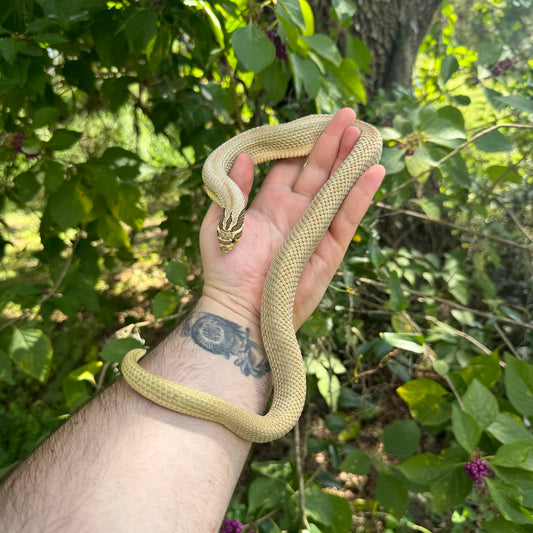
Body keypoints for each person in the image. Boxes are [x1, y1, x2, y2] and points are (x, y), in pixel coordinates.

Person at [0, 108, 385, 532]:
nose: (229, 239)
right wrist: (233, 302)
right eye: (229, 233)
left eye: (231, 233)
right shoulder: (223, 186)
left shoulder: (237, 186)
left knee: (361, 136)